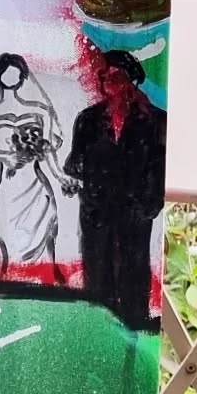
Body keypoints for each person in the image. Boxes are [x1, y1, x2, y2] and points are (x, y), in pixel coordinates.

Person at [65, 49, 166, 329]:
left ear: (132, 80)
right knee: (98, 268)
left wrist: (148, 206)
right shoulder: (88, 119)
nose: (109, 82)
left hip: (136, 210)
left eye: (117, 76)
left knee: (134, 267)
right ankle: (99, 327)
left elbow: (160, 167)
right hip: (97, 209)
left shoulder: (156, 120)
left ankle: (134, 322)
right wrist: (79, 182)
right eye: (104, 76)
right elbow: (74, 163)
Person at [0, 53, 77, 281]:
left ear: (23, 77)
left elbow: (48, 151)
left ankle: (51, 274)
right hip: (6, 184)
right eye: (6, 73)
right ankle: (3, 275)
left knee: (48, 223)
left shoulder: (40, 110)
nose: (11, 77)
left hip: (36, 183)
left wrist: (60, 176)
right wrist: (7, 157)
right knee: (4, 232)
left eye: (16, 73)